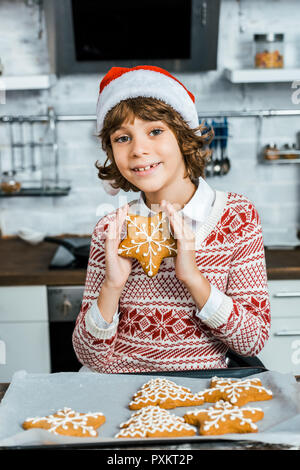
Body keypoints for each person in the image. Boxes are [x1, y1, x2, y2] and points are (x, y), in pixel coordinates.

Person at [72, 65, 270, 373]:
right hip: (118, 394)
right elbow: (90, 358)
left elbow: (252, 341)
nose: (138, 150)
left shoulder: (237, 217)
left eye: (155, 131)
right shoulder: (111, 229)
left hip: (202, 392)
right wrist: (112, 285)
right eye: (122, 138)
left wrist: (193, 278)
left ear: (183, 136)